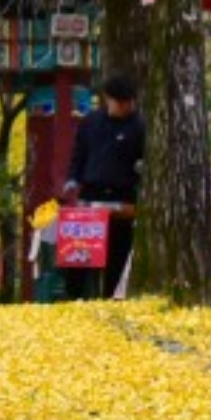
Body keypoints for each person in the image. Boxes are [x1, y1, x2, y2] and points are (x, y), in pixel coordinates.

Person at [60, 74, 145, 301]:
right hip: (91, 195)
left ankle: (111, 298)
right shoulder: (91, 122)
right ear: (109, 99)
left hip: (123, 198)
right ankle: (74, 298)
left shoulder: (139, 126)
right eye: (121, 102)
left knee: (116, 255)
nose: (126, 107)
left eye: (129, 102)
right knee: (80, 254)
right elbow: (78, 156)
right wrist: (72, 179)